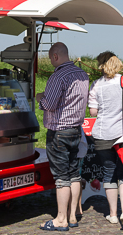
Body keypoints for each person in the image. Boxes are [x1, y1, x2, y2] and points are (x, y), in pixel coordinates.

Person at [36, 42, 89, 231]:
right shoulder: (82, 74)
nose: (51, 61)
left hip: (59, 132)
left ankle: (60, 219)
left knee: (61, 178)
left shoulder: (57, 76)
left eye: (51, 58)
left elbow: (49, 104)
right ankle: (72, 215)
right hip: (76, 130)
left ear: (56, 56)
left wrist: (39, 98)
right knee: (74, 174)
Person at [88, 51, 123, 228]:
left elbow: (93, 112)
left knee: (108, 173)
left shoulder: (96, 85)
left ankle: (112, 214)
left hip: (103, 135)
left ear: (101, 66)